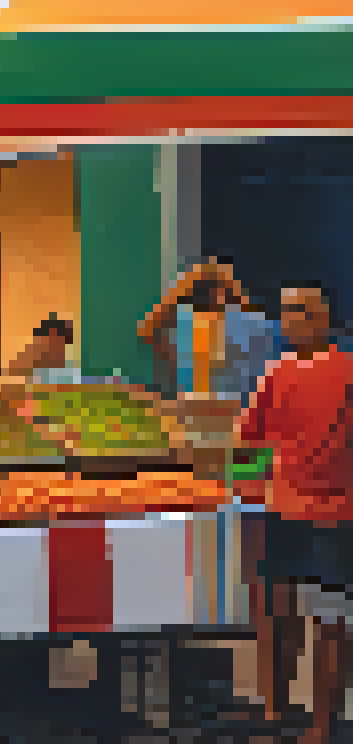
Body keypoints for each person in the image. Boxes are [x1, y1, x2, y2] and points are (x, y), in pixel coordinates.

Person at [237, 281, 351, 742]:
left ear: (329, 318)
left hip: (334, 516)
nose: (293, 319)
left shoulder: (346, 373)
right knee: (278, 616)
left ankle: (321, 726)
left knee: (329, 621)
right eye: (286, 310)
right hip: (281, 510)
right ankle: (275, 714)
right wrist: (247, 493)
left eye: (304, 310)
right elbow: (249, 444)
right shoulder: (274, 373)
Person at [144, 260, 284, 398]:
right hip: (203, 405)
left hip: (227, 406)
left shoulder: (249, 323)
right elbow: (149, 331)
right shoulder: (187, 322)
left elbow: (149, 330)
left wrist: (185, 285)